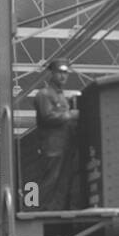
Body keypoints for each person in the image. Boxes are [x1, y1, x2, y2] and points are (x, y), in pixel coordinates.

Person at [32, 57, 81, 210]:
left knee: (62, 182)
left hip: (64, 145)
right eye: (59, 72)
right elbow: (47, 117)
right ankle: (43, 211)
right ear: (51, 74)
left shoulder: (62, 97)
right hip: (52, 146)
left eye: (65, 73)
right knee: (50, 180)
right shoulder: (44, 95)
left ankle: (57, 210)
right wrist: (70, 115)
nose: (63, 76)